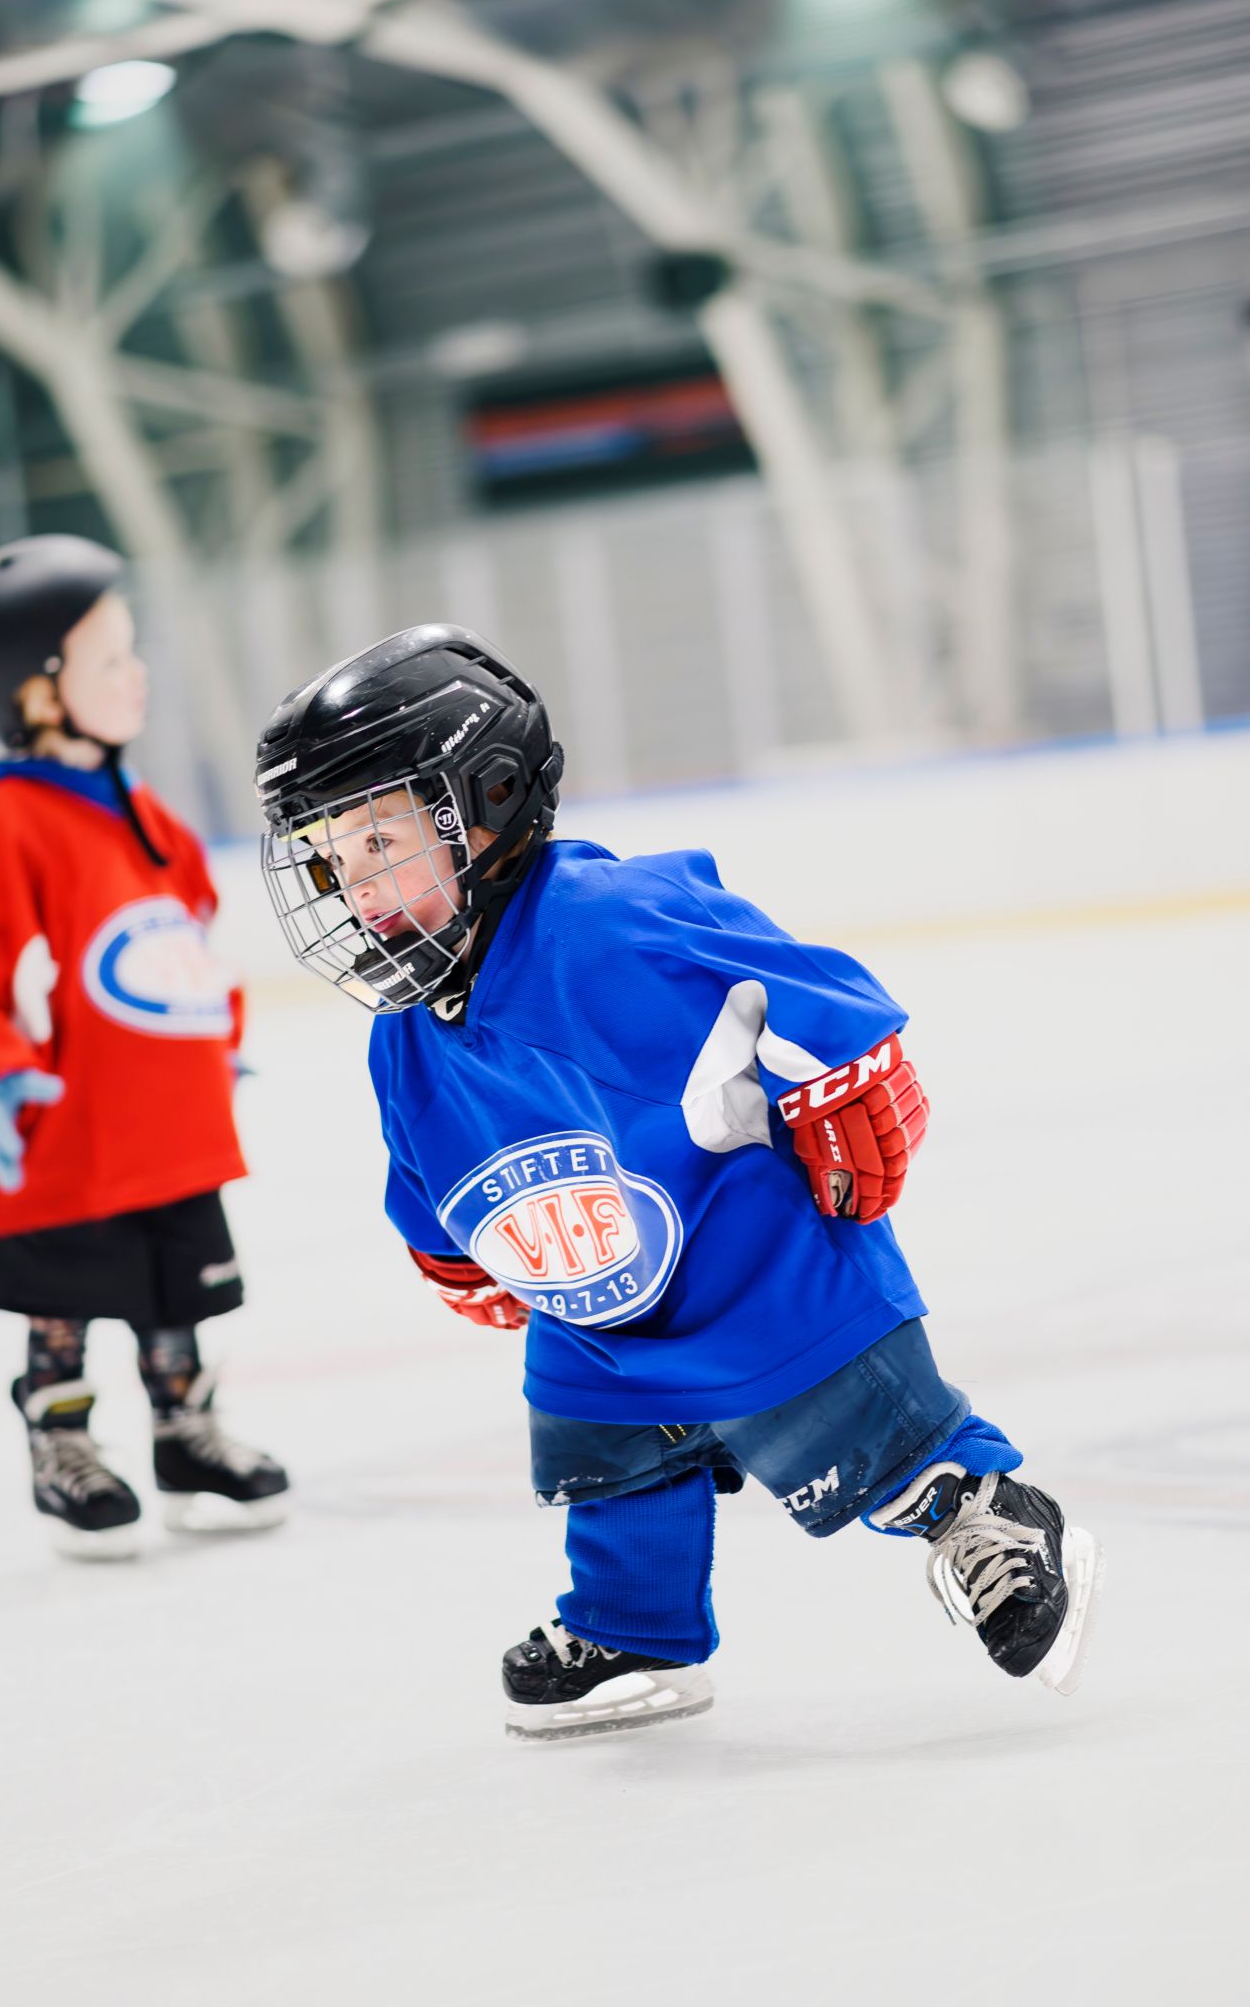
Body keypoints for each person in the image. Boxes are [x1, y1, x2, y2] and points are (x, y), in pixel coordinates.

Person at [255, 624, 1102, 1737]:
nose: (354, 884)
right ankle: (632, 1626)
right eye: (332, 856)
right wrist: (451, 1250)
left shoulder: (606, 920)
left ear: (489, 797)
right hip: (598, 1295)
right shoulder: (406, 1030)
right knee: (594, 1442)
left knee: (853, 1422)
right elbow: (428, 1153)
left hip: (750, 1259)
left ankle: (984, 1510)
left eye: (378, 839)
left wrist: (847, 1073)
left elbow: (799, 987)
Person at [0, 534, 288, 1559]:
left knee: (181, 1290)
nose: (136, 675)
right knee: (66, 1298)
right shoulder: (10, 820)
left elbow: (189, 935)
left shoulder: (146, 814)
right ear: (37, 691)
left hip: (170, 1123)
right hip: (72, 1130)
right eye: (109, 659)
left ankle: (184, 1433)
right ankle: (64, 1446)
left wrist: (218, 1038)